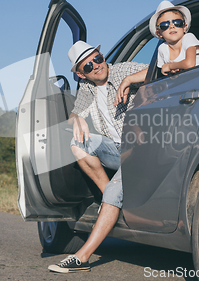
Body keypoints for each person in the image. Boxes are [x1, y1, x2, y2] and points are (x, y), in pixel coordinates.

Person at [48, 41, 148, 273]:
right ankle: (112, 201)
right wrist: (78, 119)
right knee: (78, 143)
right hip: (116, 149)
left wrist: (130, 80)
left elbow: (157, 68)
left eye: (97, 59)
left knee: (115, 190)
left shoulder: (122, 70)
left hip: (141, 150)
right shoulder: (88, 87)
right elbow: (74, 114)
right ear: (81, 73)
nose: (96, 66)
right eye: (87, 66)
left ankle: (82, 257)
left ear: (103, 56)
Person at [114, 0, 199, 106]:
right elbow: (154, 73)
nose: (172, 26)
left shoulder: (189, 38)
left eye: (177, 22)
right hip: (183, 95)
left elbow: (189, 63)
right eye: (165, 25)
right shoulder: (162, 49)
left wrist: (169, 66)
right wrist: (129, 79)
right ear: (159, 33)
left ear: (184, 27)